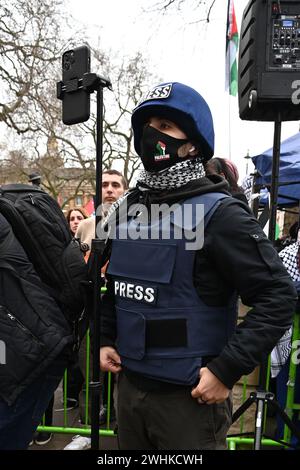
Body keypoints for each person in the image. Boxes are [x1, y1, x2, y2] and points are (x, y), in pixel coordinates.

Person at [99, 81, 297, 450]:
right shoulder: (128, 210)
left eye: (167, 126)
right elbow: (118, 283)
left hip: (188, 402)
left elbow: (277, 297)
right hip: (129, 393)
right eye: (149, 124)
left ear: (193, 144)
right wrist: (107, 337)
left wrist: (226, 371)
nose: (152, 134)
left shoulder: (219, 214)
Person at [63, 169, 127, 450]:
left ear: (124, 190)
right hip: (93, 305)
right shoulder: (87, 225)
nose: (110, 190)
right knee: (91, 366)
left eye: (116, 185)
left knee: (123, 367)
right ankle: (88, 428)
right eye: (105, 185)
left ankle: (122, 426)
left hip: (125, 305)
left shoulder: (138, 223)